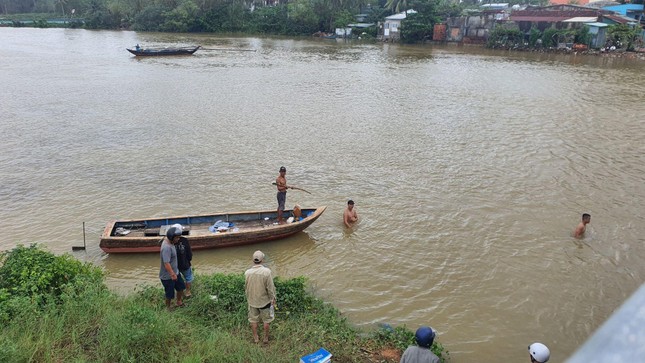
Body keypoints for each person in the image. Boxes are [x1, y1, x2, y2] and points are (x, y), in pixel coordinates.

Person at [244, 250, 277, 344]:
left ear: (253, 260)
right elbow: (270, 288)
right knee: (266, 320)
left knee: (253, 320)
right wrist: (272, 299)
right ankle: (266, 338)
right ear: (262, 260)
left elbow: (246, 287)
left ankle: (256, 338)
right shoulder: (266, 272)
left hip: (252, 302)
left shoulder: (247, 273)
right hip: (264, 302)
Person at [159, 225, 186, 310]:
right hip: (168, 276)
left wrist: (175, 273)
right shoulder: (166, 247)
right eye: (177, 238)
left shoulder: (170, 242)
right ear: (171, 237)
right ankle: (168, 307)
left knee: (181, 287)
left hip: (175, 272)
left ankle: (179, 302)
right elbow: (166, 263)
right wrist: (172, 274)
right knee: (169, 294)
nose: (178, 239)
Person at [172, 224, 193, 298]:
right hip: (185, 264)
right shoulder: (184, 240)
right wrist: (189, 261)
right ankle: (187, 291)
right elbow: (189, 254)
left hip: (174, 266)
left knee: (176, 279)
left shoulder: (170, 242)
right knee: (188, 277)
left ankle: (177, 292)